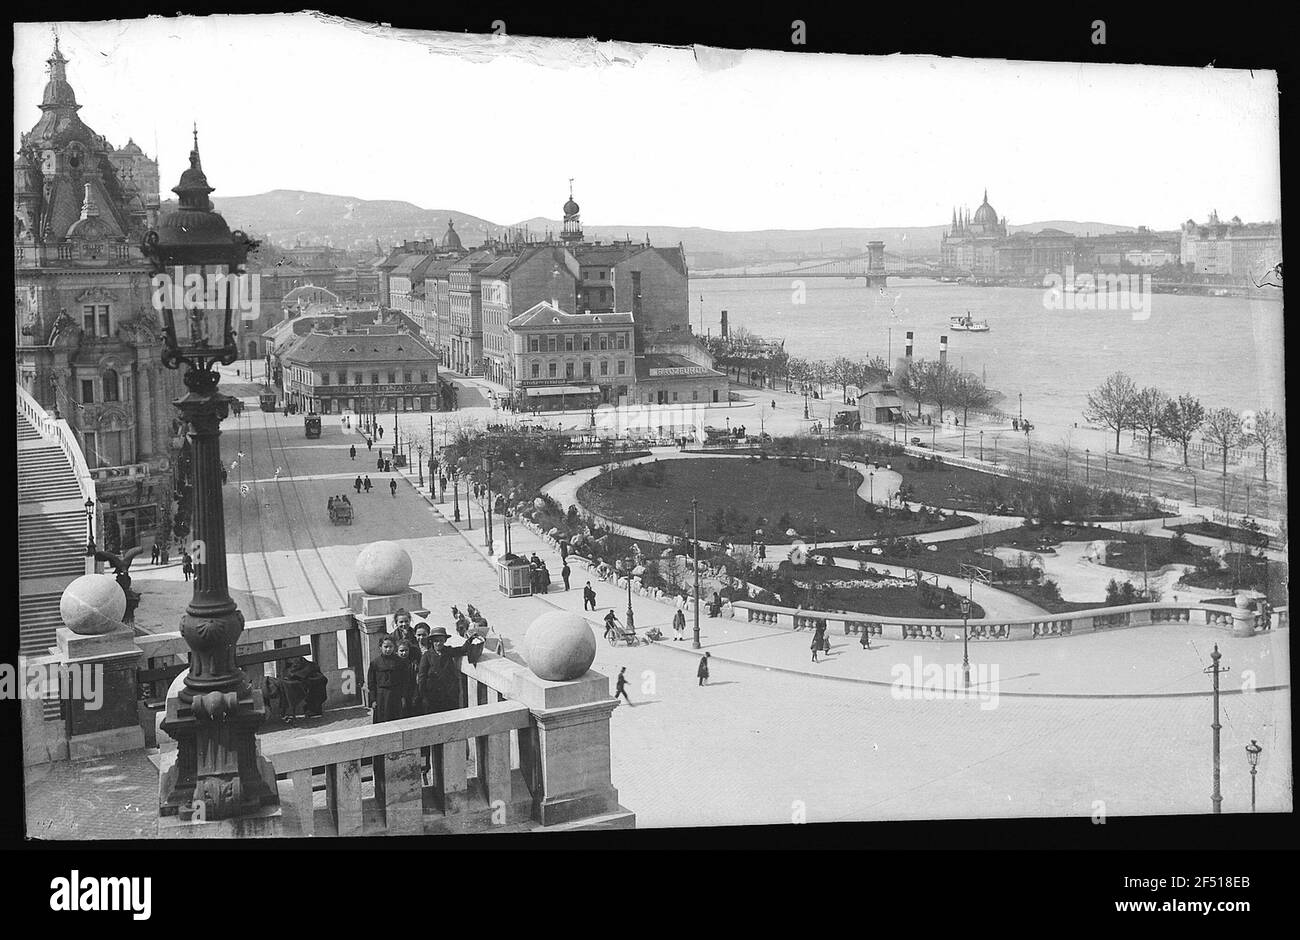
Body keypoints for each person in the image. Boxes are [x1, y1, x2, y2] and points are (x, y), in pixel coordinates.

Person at [417, 626, 480, 714]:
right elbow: (422, 676)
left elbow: (462, 650)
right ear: (432, 641)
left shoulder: (448, 651)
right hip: (433, 693)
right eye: (436, 641)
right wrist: (422, 695)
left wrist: (470, 639)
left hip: (449, 692)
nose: (438, 643)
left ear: (445, 641)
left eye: (441, 640)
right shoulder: (427, 656)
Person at [366, 636, 413, 724]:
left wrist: (403, 697)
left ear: (394, 647)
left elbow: (405, 681)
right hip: (381, 696)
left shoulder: (400, 662)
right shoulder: (375, 663)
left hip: (396, 695)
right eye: (386, 647)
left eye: (390, 647)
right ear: (380, 647)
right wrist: (373, 700)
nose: (388, 649)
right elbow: (371, 683)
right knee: (382, 720)